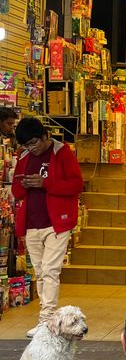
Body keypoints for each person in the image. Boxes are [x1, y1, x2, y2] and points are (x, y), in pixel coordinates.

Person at [12, 118, 83, 338]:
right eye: (26, 145)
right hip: (31, 222)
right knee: (40, 272)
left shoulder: (62, 152)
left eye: (33, 143)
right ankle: (47, 320)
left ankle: (45, 320)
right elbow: (15, 190)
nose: (31, 148)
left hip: (57, 222)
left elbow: (76, 184)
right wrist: (23, 184)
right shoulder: (23, 156)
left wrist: (45, 183)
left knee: (51, 271)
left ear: (45, 136)